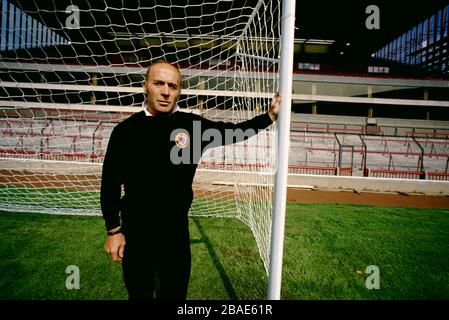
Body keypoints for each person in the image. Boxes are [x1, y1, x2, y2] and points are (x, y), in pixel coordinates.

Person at [101, 60, 280, 300]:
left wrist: (269, 116)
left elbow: (235, 131)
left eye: (173, 86)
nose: (165, 91)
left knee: (174, 296)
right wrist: (114, 230)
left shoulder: (193, 127)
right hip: (136, 232)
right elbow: (110, 183)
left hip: (175, 233)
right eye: (159, 83)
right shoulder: (125, 131)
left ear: (179, 92)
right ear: (145, 86)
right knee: (139, 294)